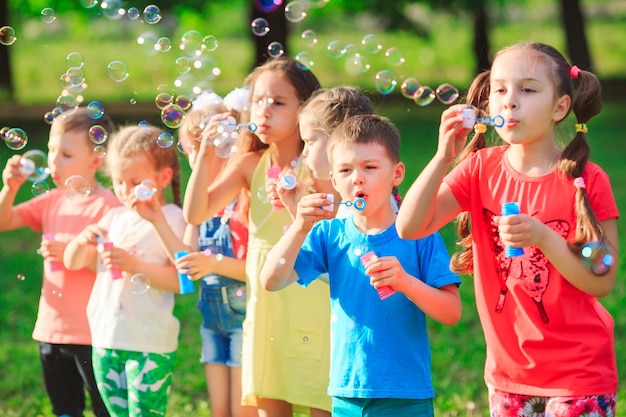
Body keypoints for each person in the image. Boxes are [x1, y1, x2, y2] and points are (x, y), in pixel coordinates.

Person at [396, 42, 618, 416]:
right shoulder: (480, 169)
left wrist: (544, 238)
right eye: (499, 89)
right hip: (507, 375)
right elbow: (410, 226)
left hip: (578, 373)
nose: (509, 101)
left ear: (560, 107)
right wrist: (442, 157)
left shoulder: (586, 180)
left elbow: (603, 279)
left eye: (528, 90)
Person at [260, 114, 462, 417]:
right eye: (345, 170)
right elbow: (271, 280)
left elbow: (451, 312)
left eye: (370, 167)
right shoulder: (329, 235)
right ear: (335, 181)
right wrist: (301, 227)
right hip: (346, 393)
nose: (357, 177)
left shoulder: (419, 234)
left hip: (405, 394)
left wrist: (406, 282)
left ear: (397, 174)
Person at [183, 56, 332, 416]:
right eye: (258, 100)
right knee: (269, 398)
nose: (264, 110)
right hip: (265, 301)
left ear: (305, 108)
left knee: (319, 397)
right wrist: (206, 155)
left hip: (313, 292)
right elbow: (195, 212)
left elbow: (336, 221)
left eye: (278, 102)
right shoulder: (250, 164)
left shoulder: (321, 165)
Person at [0, 107, 117, 417]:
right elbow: (4, 220)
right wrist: (9, 189)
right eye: (51, 149)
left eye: (65, 154)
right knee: (65, 408)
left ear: (96, 160)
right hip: (51, 330)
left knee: (104, 408)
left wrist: (72, 251)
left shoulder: (108, 207)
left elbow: (116, 265)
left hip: (95, 333)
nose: (53, 161)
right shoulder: (51, 200)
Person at [63, 124, 187, 416]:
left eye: (134, 182)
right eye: (119, 182)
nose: (125, 191)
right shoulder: (113, 217)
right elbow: (72, 262)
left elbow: (182, 279)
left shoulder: (172, 218)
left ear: (163, 178)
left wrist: (134, 265)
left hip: (149, 342)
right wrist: (82, 241)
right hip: (106, 337)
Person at [175, 92, 256, 417]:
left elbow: (256, 267)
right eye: (193, 149)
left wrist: (213, 263)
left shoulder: (242, 202)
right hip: (212, 322)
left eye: (208, 148)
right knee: (219, 410)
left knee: (242, 411)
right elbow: (185, 257)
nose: (199, 156)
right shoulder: (200, 207)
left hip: (243, 321)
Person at [297, 85, 401, 216]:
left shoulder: (364, 205)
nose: (304, 152)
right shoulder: (356, 199)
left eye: (310, 142)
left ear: (337, 140)